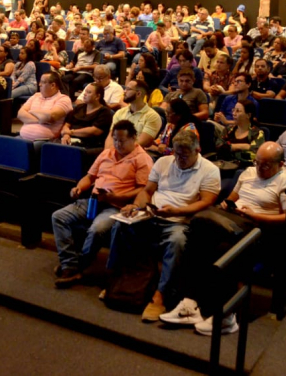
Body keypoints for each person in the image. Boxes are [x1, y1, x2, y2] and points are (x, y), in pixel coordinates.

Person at [159, 142, 286, 335]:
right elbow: (232, 198)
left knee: (219, 247)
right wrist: (226, 205)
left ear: (280, 164)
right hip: (234, 221)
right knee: (196, 240)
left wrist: (256, 216)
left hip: (259, 230)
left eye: (265, 165)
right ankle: (190, 303)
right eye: (257, 163)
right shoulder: (248, 173)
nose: (259, 168)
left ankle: (226, 316)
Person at [107, 130, 220, 321]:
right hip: (152, 214)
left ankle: (160, 296)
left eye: (184, 155)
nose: (179, 159)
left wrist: (177, 211)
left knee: (176, 241)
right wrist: (136, 206)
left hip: (180, 220)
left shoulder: (209, 170)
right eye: (176, 154)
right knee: (121, 227)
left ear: (197, 150)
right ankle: (115, 282)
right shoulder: (163, 162)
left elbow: (206, 202)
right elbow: (148, 191)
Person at [51, 120, 153, 288]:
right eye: (115, 140)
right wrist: (78, 187)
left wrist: (117, 196)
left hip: (116, 206)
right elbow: (90, 177)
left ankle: (77, 267)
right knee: (59, 216)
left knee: (97, 230)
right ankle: (70, 263)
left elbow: (143, 190)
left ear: (133, 138)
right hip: (94, 200)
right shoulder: (107, 153)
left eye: (122, 140)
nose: (118, 144)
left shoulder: (142, 159)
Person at [18, 72, 73, 144]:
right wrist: (41, 119)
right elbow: (20, 114)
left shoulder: (63, 99)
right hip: (22, 137)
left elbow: (50, 116)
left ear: (53, 85)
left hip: (44, 142)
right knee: (4, 146)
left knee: (21, 151)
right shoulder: (36, 96)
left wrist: (30, 111)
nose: (39, 84)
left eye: (43, 82)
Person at [107, 81, 162, 149]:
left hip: (137, 155)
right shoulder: (119, 113)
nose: (124, 91)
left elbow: (140, 143)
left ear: (138, 93)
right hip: (117, 151)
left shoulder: (152, 116)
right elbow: (110, 137)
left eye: (128, 89)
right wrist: (108, 154)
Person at [60, 83, 114, 149]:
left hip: (90, 144)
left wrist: (71, 132)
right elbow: (67, 124)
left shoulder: (104, 112)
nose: (85, 94)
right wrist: (66, 135)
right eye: (85, 91)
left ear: (97, 96)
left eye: (89, 92)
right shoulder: (79, 107)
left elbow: (94, 131)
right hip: (71, 139)